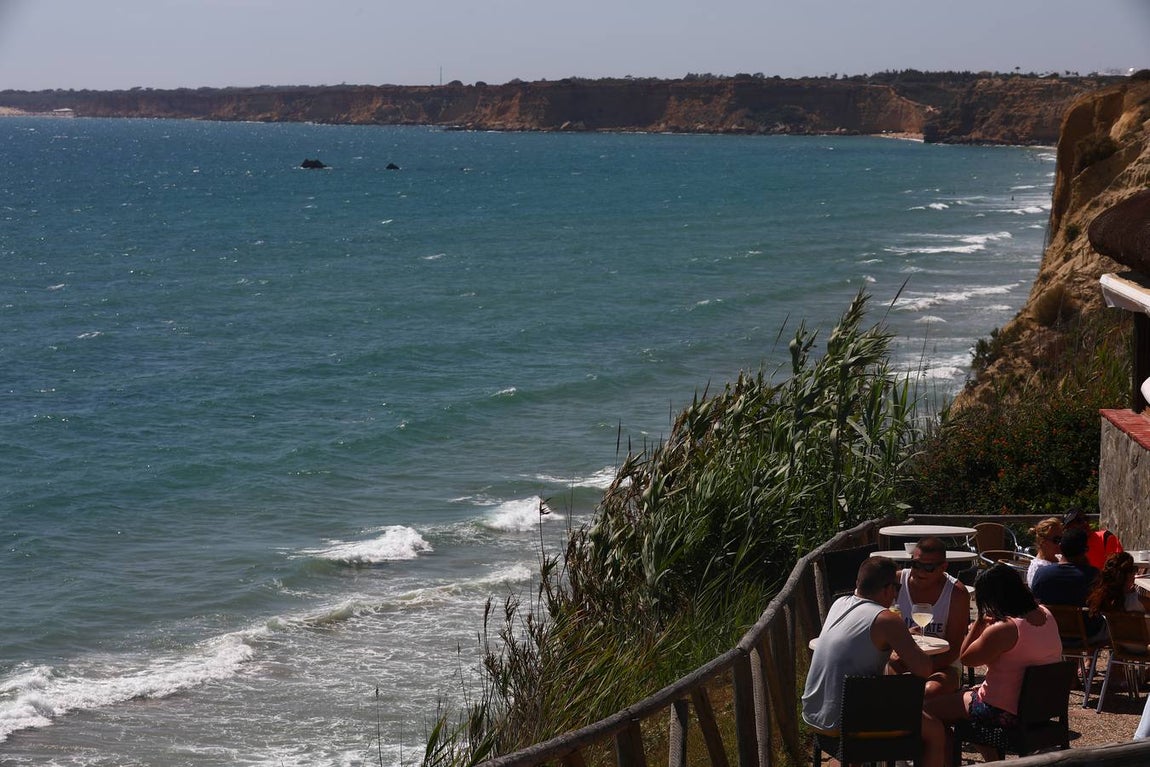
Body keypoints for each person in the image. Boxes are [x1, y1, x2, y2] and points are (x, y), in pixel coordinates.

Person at [802, 556, 945, 767]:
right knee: (935, 731)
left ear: (858, 583)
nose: (896, 595)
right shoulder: (886, 619)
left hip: (814, 711)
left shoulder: (839, 603)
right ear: (887, 589)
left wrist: (900, 636)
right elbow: (924, 669)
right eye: (896, 588)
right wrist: (904, 638)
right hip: (846, 721)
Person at [925, 565, 1062, 756]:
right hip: (1041, 708)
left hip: (1003, 710)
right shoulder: (1046, 613)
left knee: (927, 712)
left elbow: (966, 658)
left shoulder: (1004, 629)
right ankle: (992, 761)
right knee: (968, 704)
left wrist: (979, 622)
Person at [891, 536, 971, 695]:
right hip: (900, 659)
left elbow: (955, 648)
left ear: (943, 567)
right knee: (886, 682)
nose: (920, 571)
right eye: (916, 564)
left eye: (929, 567)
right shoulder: (895, 583)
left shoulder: (956, 594)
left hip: (942, 664)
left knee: (930, 691)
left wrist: (920, 667)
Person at [1030, 526, 1105, 641]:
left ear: (1060, 547)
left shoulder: (1041, 574)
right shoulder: (1093, 576)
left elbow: (1035, 604)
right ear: (1086, 550)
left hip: (1051, 635)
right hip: (1087, 635)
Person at [1064, 506, 1123, 570]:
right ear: (1068, 528)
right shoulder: (1066, 547)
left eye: (1086, 518)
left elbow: (1119, 568)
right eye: (1079, 521)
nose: (1085, 523)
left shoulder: (1105, 538)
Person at [1026, 517, 1063, 587]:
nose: (1061, 543)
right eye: (1056, 540)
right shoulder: (1038, 570)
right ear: (1042, 541)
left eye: (1062, 539)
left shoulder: (1059, 558)